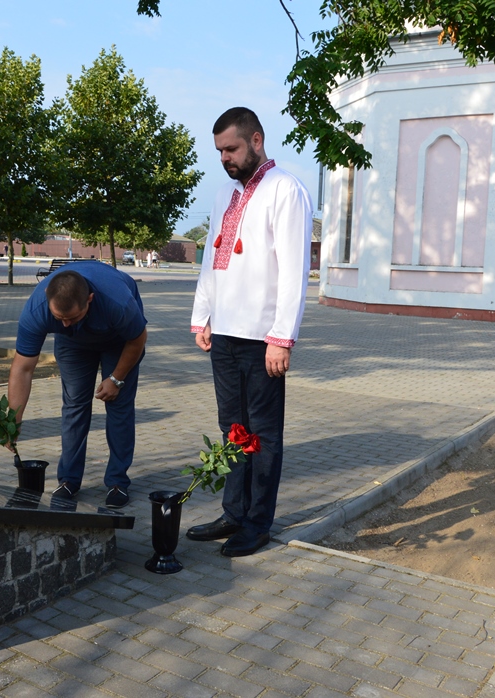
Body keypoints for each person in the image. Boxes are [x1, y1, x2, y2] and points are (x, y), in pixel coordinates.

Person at [186, 107, 312, 557]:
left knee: (263, 432)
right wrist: (203, 315)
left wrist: (282, 337)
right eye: (219, 151)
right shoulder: (224, 193)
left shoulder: (286, 190)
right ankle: (233, 512)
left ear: (257, 140)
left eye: (232, 148)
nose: (225, 158)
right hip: (225, 333)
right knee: (232, 429)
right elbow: (210, 259)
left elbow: (296, 269)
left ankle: (257, 523)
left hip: (262, 338)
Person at [7, 263, 147, 508]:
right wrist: (13, 419)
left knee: (119, 406)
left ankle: (117, 482)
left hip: (119, 341)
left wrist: (115, 379)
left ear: (89, 300)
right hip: (73, 346)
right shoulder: (37, 310)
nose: (65, 324)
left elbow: (137, 341)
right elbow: (23, 368)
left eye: (72, 317)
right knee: (74, 405)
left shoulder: (117, 302)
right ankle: (69, 481)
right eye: (59, 318)